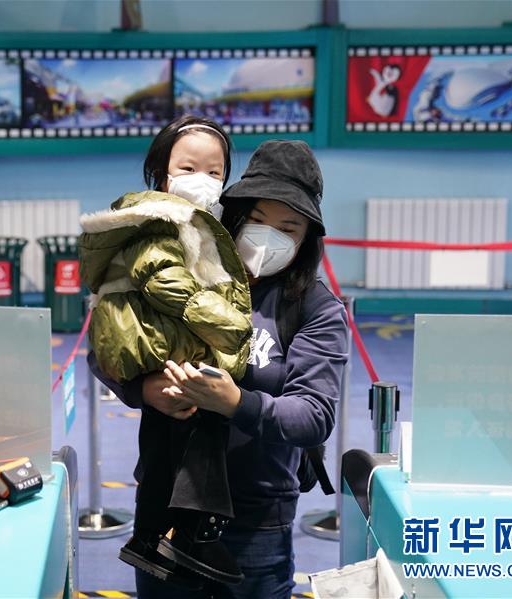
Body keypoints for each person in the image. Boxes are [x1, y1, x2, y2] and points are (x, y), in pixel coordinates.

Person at [91, 139, 348, 599]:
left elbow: (313, 415)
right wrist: (145, 390)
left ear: (307, 238)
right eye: (257, 220)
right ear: (236, 216)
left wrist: (236, 403)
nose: (268, 237)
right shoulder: (185, 272)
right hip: (165, 508)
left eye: (288, 227)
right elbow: (107, 347)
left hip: (257, 521)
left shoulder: (314, 307)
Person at [80, 115, 254, 588]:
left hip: (170, 347)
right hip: (161, 347)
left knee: (171, 446)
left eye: (215, 172)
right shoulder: (159, 220)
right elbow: (162, 279)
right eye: (188, 168)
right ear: (162, 173)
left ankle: (153, 535)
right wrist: (228, 322)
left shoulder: (199, 224)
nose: (203, 180)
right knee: (194, 437)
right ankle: (190, 533)